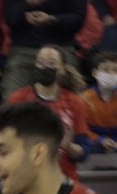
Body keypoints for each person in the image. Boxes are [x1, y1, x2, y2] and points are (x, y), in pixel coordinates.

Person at [6, 44, 91, 177]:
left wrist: (67, 145)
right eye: (40, 62)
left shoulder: (74, 102)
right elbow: (6, 140)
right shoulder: (18, 98)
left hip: (63, 175)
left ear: (62, 69)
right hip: (26, 173)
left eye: (51, 63)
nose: (45, 67)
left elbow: (84, 152)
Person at [1, 0, 86, 100]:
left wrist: (51, 19)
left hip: (61, 49)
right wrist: (27, 2)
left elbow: (78, 20)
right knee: (11, 100)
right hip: (24, 50)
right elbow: (10, 19)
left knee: (72, 100)